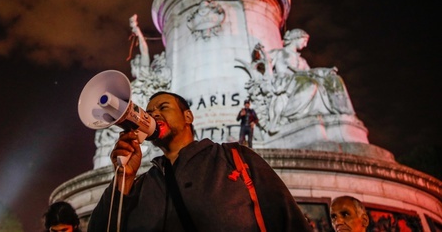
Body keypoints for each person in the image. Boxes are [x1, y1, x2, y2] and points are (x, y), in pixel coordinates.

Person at [87, 91, 313, 231]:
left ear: (188, 117)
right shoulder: (141, 185)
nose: (153, 115)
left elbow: (290, 222)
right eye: (149, 111)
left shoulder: (236, 158)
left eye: (163, 107)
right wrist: (123, 180)